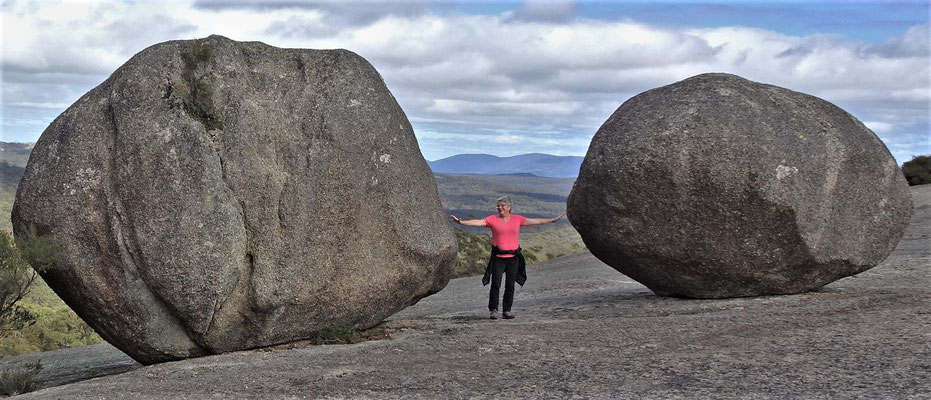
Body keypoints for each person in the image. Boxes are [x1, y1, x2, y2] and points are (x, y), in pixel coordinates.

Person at [449, 196, 565, 320]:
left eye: (502, 205)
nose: (499, 208)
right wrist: (460, 222)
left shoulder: (517, 219)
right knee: (496, 284)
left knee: (510, 285)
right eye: (498, 206)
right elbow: (478, 222)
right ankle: (493, 310)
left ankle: (507, 310)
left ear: (509, 207)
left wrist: (552, 220)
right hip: (498, 257)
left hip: (513, 258)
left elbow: (535, 221)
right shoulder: (492, 219)